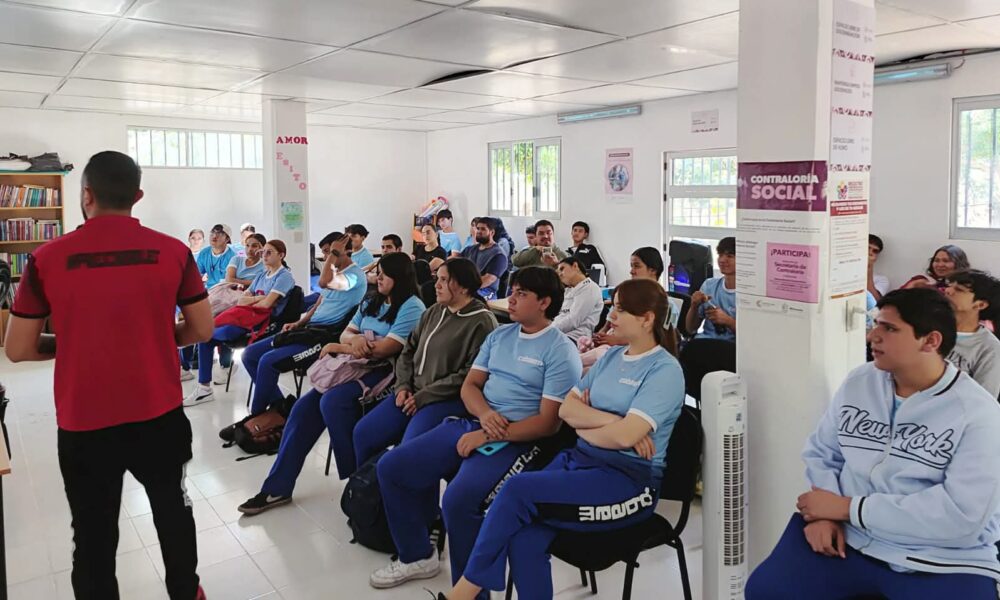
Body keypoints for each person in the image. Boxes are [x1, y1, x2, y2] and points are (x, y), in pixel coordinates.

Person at [4, 151, 212, 600]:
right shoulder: (174, 252)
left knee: (93, 536)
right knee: (173, 514)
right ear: (137, 196)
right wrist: (156, 338)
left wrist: (71, 342)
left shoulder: (45, 258)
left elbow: (17, 348)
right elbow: (201, 329)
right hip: (159, 413)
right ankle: (186, 592)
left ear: (86, 195)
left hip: (85, 423)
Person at [745, 288, 1000, 600]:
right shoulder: (860, 382)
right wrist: (824, 514)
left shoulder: (978, 413)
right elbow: (823, 452)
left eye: (889, 328)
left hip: (939, 558)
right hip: (847, 538)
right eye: (876, 324)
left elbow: (962, 514)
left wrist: (848, 509)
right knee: (766, 591)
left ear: (930, 341)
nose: (872, 336)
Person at [441, 279, 684, 600]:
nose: (610, 316)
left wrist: (597, 423)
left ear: (647, 319)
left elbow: (624, 435)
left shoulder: (664, 371)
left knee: (516, 490)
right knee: (524, 538)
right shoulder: (611, 357)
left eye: (620, 310)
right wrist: (614, 423)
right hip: (581, 462)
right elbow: (568, 411)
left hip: (628, 482)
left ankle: (463, 594)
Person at [370, 267, 582, 596]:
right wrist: (484, 416)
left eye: (521, 294)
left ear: (544, 302)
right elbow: (470, 386)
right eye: (512, 291)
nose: (511, 299)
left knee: (458, 501)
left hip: (520, 441)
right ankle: (417, 555)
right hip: (477, 422)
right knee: (392, 468)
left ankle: (469, 593)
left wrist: (490, 434)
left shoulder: (560, 350)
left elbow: (548, 424)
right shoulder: (500, 335)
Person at [238, 253, 424, 513]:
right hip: (351, 366)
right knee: (302, 410)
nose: (378, 277)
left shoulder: (412, 306)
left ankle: (356, 482)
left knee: (333, 402)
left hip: (384, 372)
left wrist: (342, 346)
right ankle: (277, 487)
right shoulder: (372, 299)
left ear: (400, 277)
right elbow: (348, 332)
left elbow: (386, 349)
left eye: (384, 274)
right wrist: (354, 341)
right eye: (378, 272)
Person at [351, 258, 498, 469]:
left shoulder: (481, 322)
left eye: (444, 280)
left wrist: (424, 396)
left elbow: (469, 374)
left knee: (408, 455)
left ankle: (398, 485)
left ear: (464, 287)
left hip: (444, 399)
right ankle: (368, 487)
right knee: (364, 433)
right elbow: (408, 350)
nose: (436, 285)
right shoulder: (434, 311)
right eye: (437, 278)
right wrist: (403, 386)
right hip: (411, 392)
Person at [241, 232, 367, 414]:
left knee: (268, 362)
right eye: (325, 252)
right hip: (309, 329)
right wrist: (300, 322)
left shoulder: (355, 276)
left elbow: (323, 282)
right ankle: (279, 406)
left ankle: (256, 415)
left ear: (344, 252)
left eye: (329, 252)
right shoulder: (335, 272)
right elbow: (319, 303)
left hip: (324, 336)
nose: (326, 257)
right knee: (249, 354)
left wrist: (334, 254)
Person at [184, 240, 296, 407]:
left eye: (269, 252)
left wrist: (258, 300)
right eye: (263, 252)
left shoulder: (284, 276)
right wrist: (260, 298)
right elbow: (242, 300)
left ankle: (208, 384)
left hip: (262, 323)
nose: (264, 256)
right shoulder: (262, 275)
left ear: (281, 255)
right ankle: (204, 388)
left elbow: (266, 305)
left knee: (209, 335)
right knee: (205, 337)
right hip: (246, 316)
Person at [945, 269, 1000, 397]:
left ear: (980, 304)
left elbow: (983, 400)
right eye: (949, 286)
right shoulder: (930, 327)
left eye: (959, 290)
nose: (948, 291)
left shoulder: (990, 349)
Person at [686, 236, 736, 342]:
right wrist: (694, 306)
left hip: (730, 347)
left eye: (730, 256)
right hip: (705, 343)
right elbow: (690, 329)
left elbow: (752, 336)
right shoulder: (709, 285)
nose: (722, 260)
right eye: (720, 255)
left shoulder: (749, 295)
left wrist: (728, 321)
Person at [553, 255, 604, 342]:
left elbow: (573, 320)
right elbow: (561, 315)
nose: (559, 274)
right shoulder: (568, 290)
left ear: (575, 266)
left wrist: (549, 330)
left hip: (575, 337)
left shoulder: (590, 288)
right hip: (560, 333)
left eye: (562, 269)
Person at [460, 217, 509, 301]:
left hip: (486, 291)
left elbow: (489, 279)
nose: (479, 231)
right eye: (478, 228)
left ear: (492, 232)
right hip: (467, 287)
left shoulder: (498, 254)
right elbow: (456, 265)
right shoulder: (470, 249)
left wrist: (466, 288)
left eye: (483, 229)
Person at [902, 244, 970, 291]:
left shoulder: (965, 288)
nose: (940, 265)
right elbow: (897, 299)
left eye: (946, 261)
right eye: (936, 260)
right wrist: (913, 285)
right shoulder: (921, 281)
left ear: (959, 263)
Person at [195, 223, 236, 289]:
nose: (214, 236)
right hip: (208, 289)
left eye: (219, 233)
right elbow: (197, 275)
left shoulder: (233, 257)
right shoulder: (204, 253)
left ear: (227, 239)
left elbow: (232, 282)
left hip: (225, 290)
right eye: (212, 232)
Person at [867, 234, 889, 300]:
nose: (870, 253)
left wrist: (869, 266)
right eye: (867, 248)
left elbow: (874, 301)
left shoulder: (882, 280)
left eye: (875, 251)